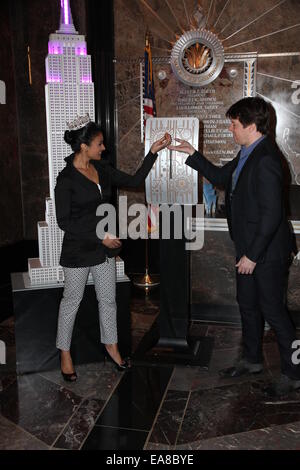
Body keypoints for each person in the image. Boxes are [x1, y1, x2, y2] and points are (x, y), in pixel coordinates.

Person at [169, 97, 300, 397]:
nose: (230, 129)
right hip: (249, 249)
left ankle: (294, 372)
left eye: (234, 124)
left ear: (252, 126)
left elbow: (272, 215)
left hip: (265, 253)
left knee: (275, 312)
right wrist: (192, 153)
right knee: (248, 305)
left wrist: (252, 256)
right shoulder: (246, 153)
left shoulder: (266, 158)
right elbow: (219, 177)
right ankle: (252, 360)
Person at [55, 118, 171, 381]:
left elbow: (135, 179)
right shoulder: (66, 179)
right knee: (71, 302)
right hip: (78, 251)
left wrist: (152, 152)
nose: (103, 148)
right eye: (99, 143)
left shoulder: (102, 168)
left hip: (103, 250)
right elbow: (65, 222)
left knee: (108, 301)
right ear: (83, 146)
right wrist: (101, 237)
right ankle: (64, 352)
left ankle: (112, 347)